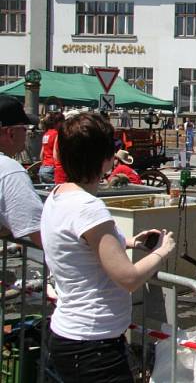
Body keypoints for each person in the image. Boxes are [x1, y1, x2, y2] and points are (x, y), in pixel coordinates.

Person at [41, 112, 176, 383]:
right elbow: (128, 278)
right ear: (105, 158)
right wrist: (163, 251)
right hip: (94, 344)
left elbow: (77, 240)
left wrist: (126, 241)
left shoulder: (58, 196)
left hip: (70, 335)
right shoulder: (88, 207)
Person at [0, 95, 43, 247]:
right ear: (10, 133)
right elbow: (40, 232)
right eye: (24, 128)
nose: (26, 134)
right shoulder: (8, 170)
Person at [39, 112, 64, 184]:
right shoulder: (57, 134)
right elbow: (55, 154)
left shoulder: (46, 134)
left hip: (43, 168)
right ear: (59, 122)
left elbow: (41, 155)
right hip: (52, 168)